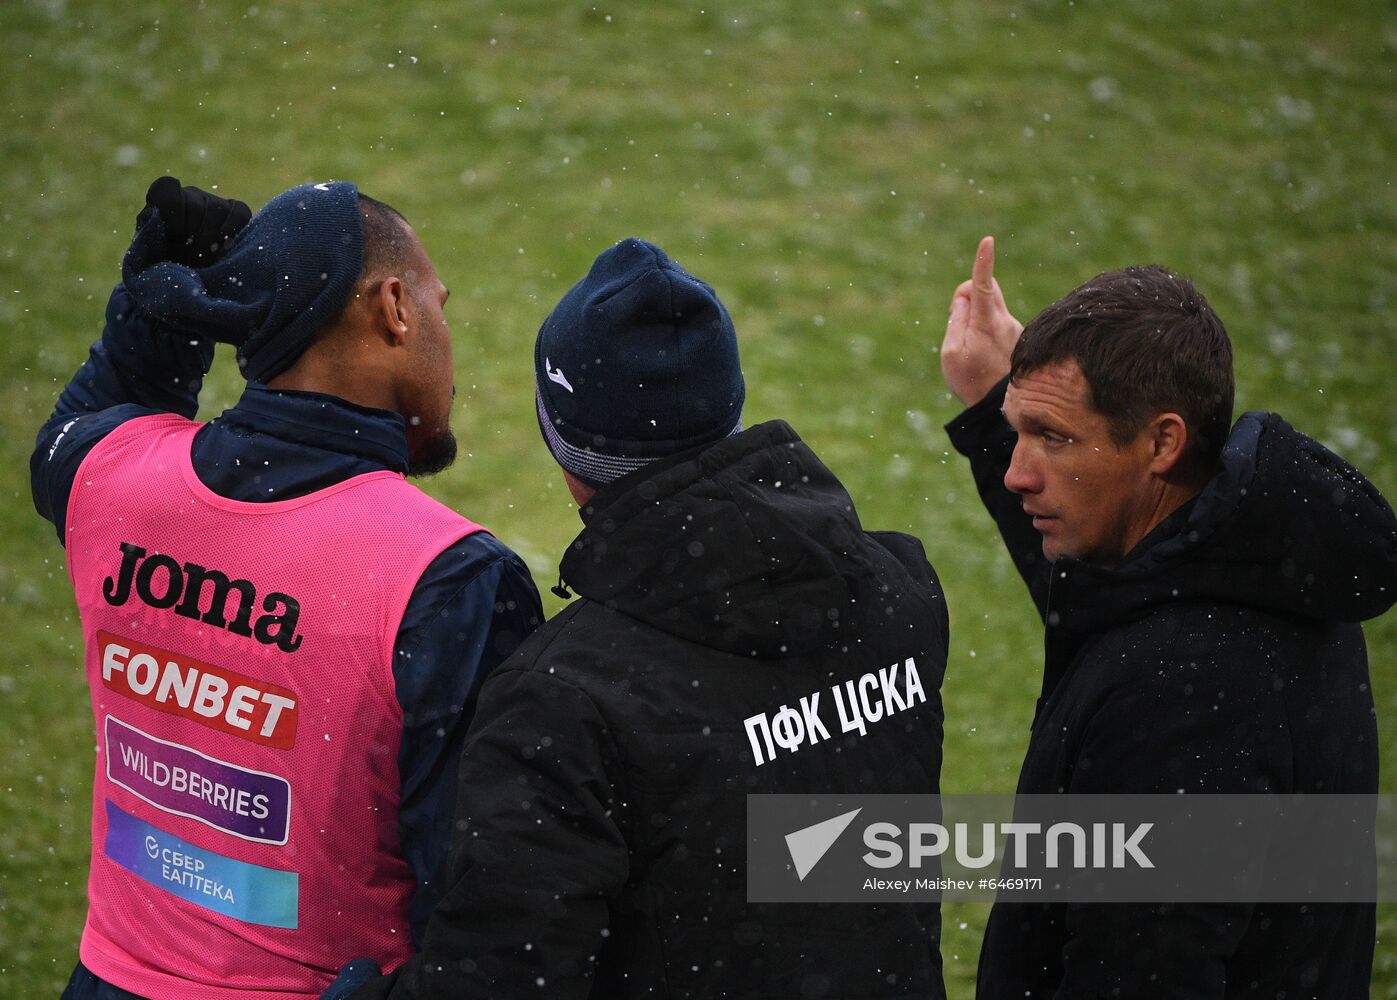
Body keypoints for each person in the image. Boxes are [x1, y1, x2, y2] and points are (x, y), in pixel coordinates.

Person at [326, 237, 951, 999]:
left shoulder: (562, 699)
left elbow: (500, 978)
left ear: (566, 447)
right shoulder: (901, 590)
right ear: (730, 405)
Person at [31, 177, 542, 1000]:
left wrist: (152, 319)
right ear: (394, 308)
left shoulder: (111, 481)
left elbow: (75, 432)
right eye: (440, 303)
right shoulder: (450, 578)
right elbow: (481, 893)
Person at [939, 237, 1396, 998]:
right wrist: (996, 409)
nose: (1019, 472)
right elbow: (1098, 594)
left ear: (1161, 441)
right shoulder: (1255, 560)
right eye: (1020, 433)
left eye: (1051, 438)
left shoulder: (1181, 693)